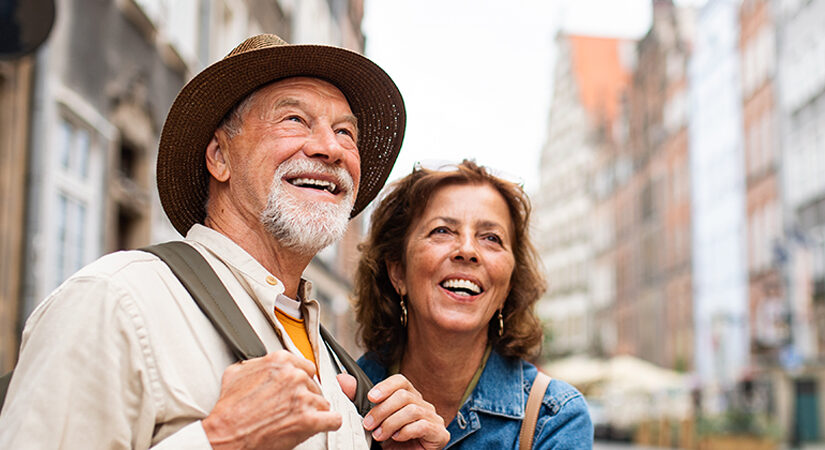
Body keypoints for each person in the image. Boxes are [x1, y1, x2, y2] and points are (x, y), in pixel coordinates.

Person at [0, 34, 448, 449]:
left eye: (345, 132)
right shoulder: (114, 300)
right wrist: (219, 438)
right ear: (219, 156)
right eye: (294, 119)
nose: (330, 148)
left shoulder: (339, 367)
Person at [353, 160, 594, 448]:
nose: (467, 250)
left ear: (509, 286)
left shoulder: (555, 418)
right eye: (442, 231)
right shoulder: (342, 394)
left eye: (491, 238)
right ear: (398, 272)